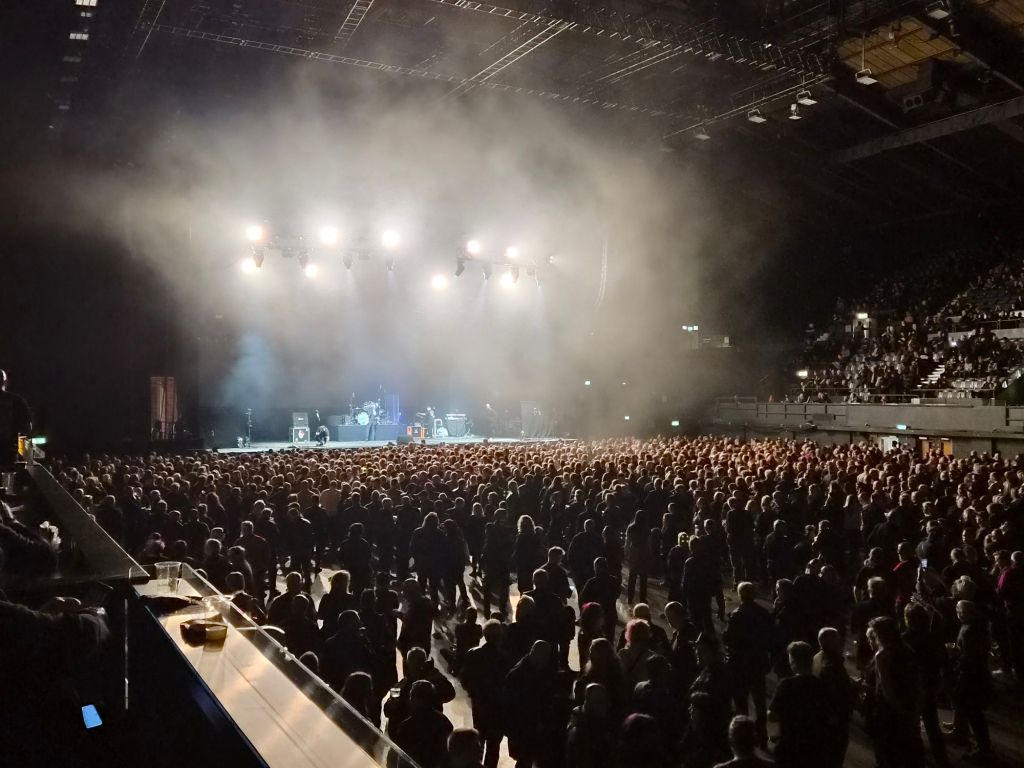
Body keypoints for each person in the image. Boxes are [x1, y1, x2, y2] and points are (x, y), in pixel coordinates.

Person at [863, 616, 923, 768]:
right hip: (908, 702)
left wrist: (899, 710)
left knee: (888, 751)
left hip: (889, 710)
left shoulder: (882, 655)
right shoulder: (906, 649)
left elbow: (886, 689)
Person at [722, 582, 772, 744]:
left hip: (740, 663)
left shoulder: (737, 615)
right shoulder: (763, 613)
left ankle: (745, 735)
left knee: (741, 701)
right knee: (759, 701)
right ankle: (762, 733)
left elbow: (728, 638)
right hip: (758, 661)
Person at [769, 641, 827, 768]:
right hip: (812, 747)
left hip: (788, 744)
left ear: (793, 662)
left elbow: (772, 714)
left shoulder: (787, 685)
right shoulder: (820, 686)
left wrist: (773, 734)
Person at [460, 619, 510, 768]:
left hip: (479, 704)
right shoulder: (504, 658)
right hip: (497, 707)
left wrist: (473, 692)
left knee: (478, 741)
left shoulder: (473, 654)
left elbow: (464, 678)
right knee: (493, 746)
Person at [502, 640, 558, 768]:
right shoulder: (519, 675)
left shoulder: (530, 670)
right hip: (523, 727)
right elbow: (510, 706)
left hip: (529, 726)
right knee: (525, 759)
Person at [952, 600, 994, 764]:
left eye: (960, 612)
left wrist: (955, 654)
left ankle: (983, 748)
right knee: (975, 713)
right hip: (978, 675)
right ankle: (982, 745)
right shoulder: (977, 628)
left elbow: (970, 657)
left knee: (973, 712)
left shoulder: (969, 631)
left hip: (971, 677)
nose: (959, 615)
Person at [813, 627, 854, 768]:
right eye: (837, 641)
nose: (841, 643)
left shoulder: (817, 658)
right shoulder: (832, 666)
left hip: (824, 719)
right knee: (834, 757)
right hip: (834, 721)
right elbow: (836, 694)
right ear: (831, 643)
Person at [393, 679, 454, 768]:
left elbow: (400, 756)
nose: (409, 700)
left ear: (417, 699)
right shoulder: (444, 722)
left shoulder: (407, 726)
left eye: (411, 696)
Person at [565, 683, 617, 768]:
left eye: (605, 700)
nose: (607, 705)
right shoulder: (578, 730)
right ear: (589, 703)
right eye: (600, 701)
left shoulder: (601, 723)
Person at [0, 369, 31, 465]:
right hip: (9, 451)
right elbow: (27, 426)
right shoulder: (17, 400)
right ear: (5, 381)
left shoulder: (17, 401)